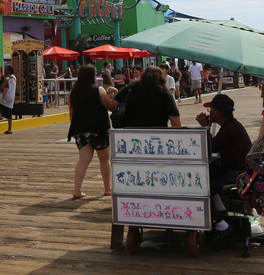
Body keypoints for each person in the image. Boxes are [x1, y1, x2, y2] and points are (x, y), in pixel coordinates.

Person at [195, 92, 251, 232]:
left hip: (237, 173)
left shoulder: (229, 129)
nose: (210, 112)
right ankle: (222, 213)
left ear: (219, 111)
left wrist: (204, 127)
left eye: (212, 109)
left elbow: (208, 147)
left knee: (203, 188)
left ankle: (221, 223)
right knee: (209, 176)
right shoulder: (231, 126)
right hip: (238, 169)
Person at [67, 65, 119, 198]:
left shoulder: (74, 92)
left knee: (83, 160)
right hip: (99, 129)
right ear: (92, 76)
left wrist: (74, 129)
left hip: (81, 131)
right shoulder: (99, 90)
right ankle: (107, 189)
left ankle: (77, 191)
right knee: (104, 160)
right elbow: (112, 107)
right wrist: (116, 94)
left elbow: (71, 113)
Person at [115, 66, 181, 127]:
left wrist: (115, 91)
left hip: (132, 131)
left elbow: (114, 103)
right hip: (157, 132)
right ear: (161, 79)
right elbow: (175, 119)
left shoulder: (131, 88)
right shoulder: (164, 93)